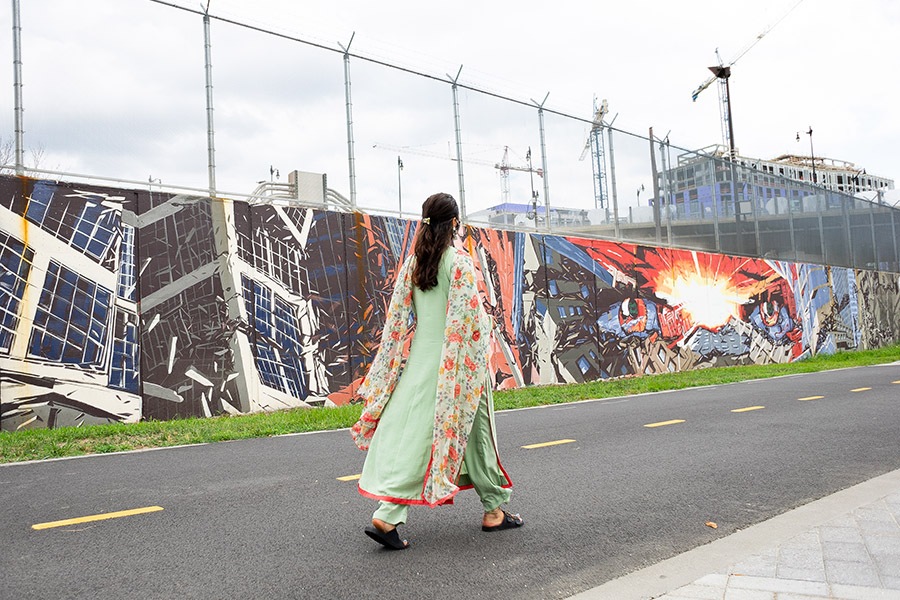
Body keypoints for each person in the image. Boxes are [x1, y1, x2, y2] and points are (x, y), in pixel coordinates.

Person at [350, 192, 523, 550]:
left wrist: (391, 370)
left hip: (420, 364)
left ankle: (493, 507)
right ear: (455, 223)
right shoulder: (458, 263)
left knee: (466, 433)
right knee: (433, 437)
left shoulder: (415, 263)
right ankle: (389, 513)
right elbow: (468, 322)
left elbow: (396, 320)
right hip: (457, 367)